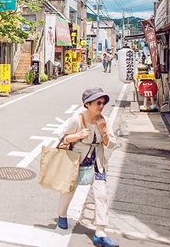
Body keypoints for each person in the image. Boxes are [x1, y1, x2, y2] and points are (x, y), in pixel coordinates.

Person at [55, 87, 119, 247]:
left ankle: (100, 232)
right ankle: (62, 215)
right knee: (68, 191)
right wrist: (78, 135)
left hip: (97, 162)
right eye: (98, 102)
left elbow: (112, 144)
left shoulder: (104, 120)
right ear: (88, 104)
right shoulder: (77, 119)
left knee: (101, 195)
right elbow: (61, 136)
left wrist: (104, 131)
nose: (101, 106)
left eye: (103, 102)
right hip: (77, 160)